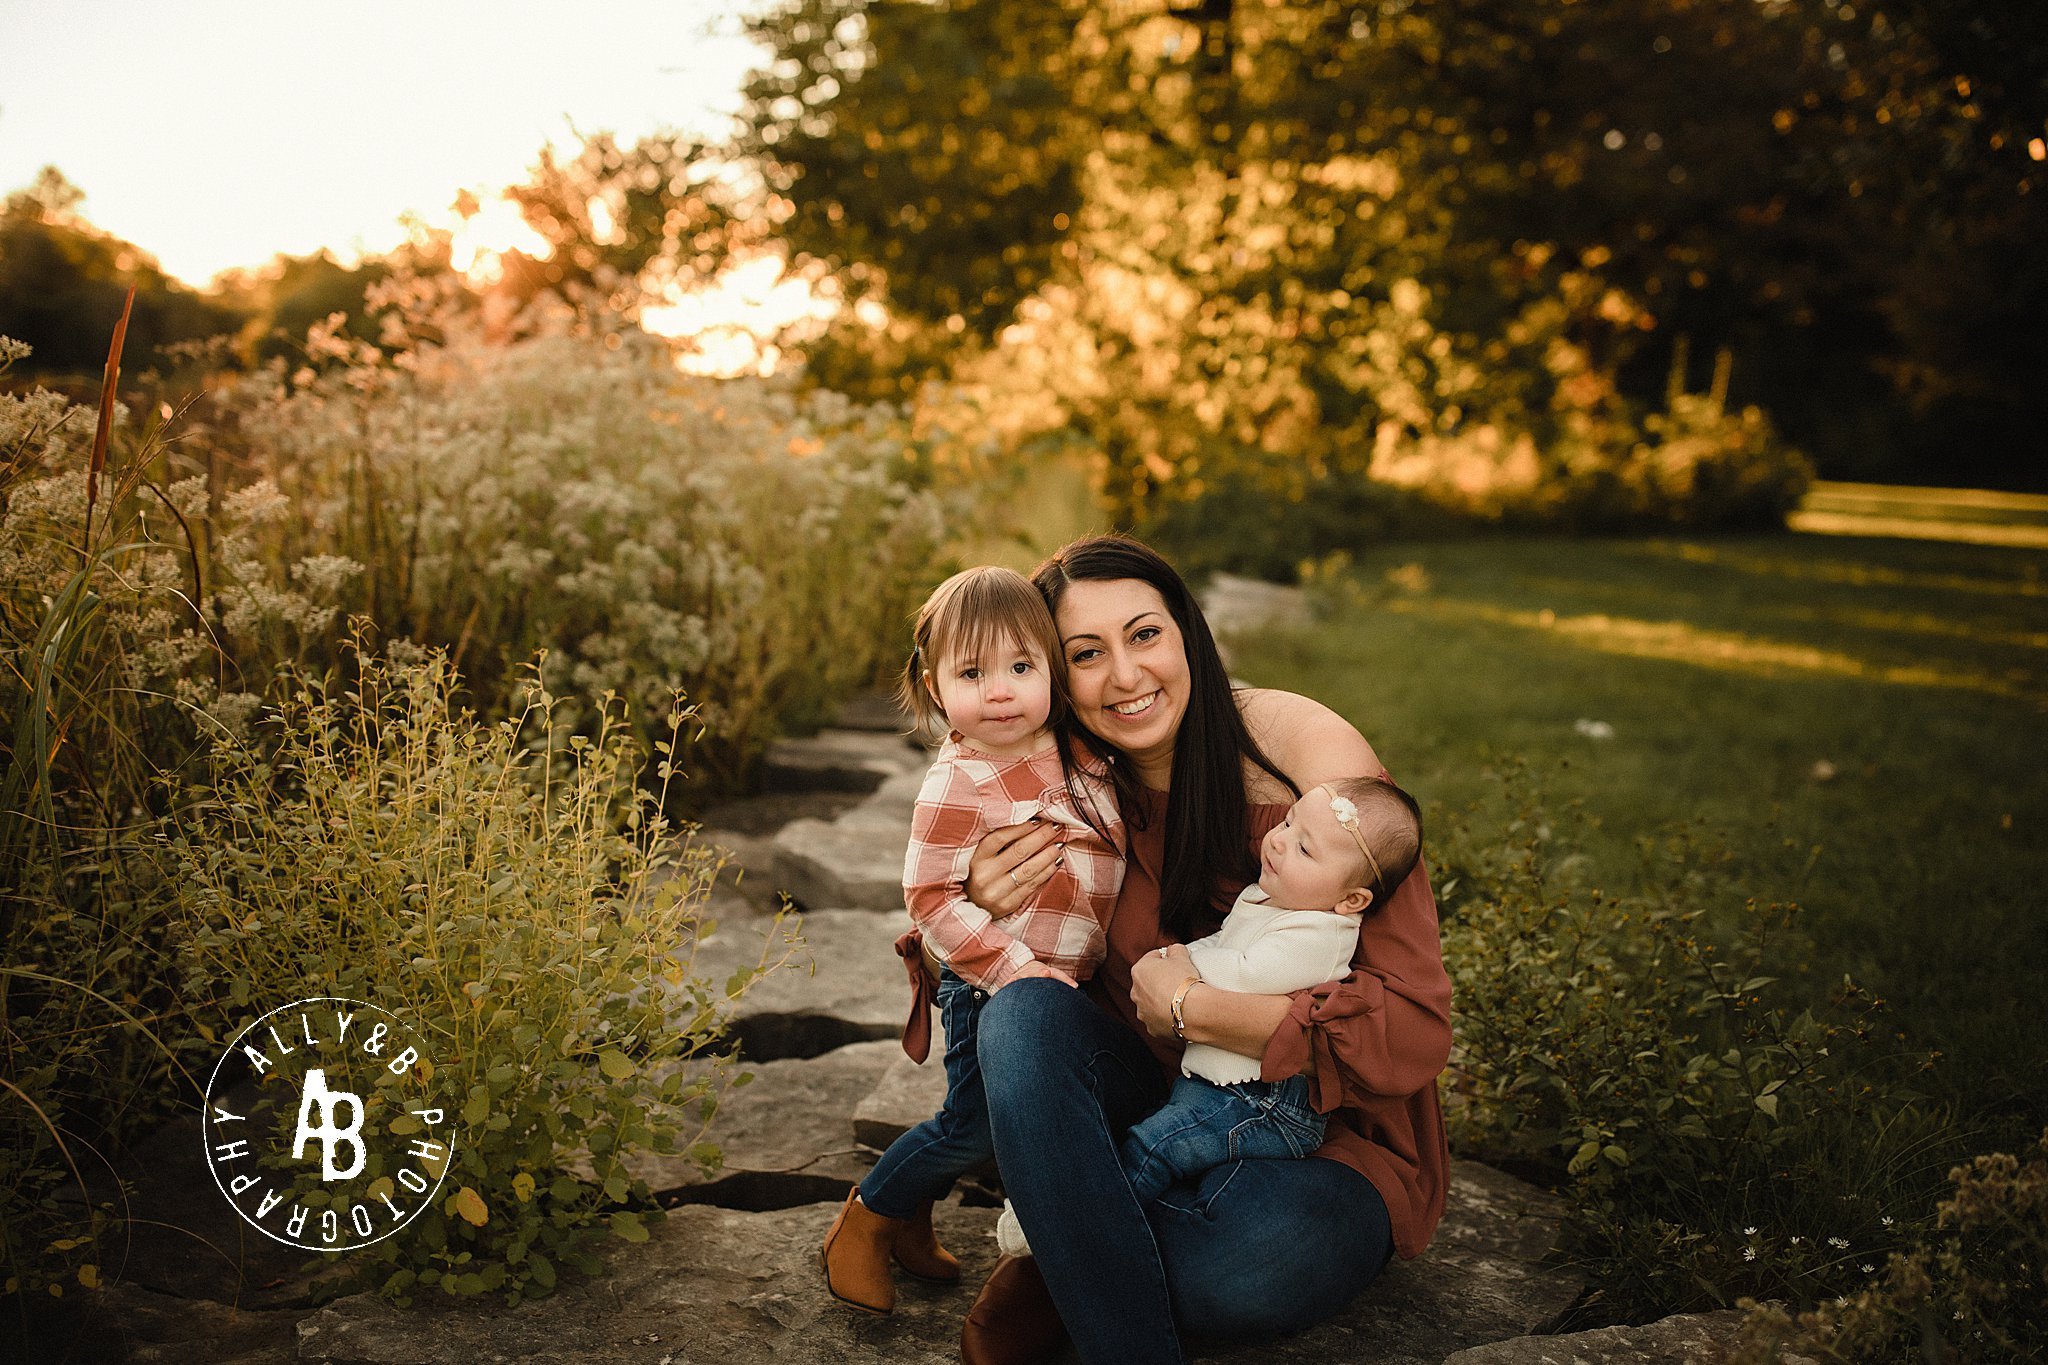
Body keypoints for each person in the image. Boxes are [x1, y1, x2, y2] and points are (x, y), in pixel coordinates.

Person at [957, 535, 1453, 1365]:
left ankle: (1067, 1244)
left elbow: (1414, 1027)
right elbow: (979, 1001)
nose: (1125, 676)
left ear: (1187, 632)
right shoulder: (1047, 788)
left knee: (1240, 1269)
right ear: (1053, 674)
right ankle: (1114, 1303)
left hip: (1320, 1137)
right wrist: (975, 898)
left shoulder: (1310, 773)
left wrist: (1202, 1006)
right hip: (1149, 1102)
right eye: (1085, 653)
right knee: (1020, 1016)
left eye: (1145, 634)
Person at [818, 565, 1125, 1316]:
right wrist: (1017, 971)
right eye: (972, 671)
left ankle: (913, 1214)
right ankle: (868, 1216)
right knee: (978, 1124)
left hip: (1066, 985)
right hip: (991, 984)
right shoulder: (958, 782)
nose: (1000, 690)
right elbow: (930, 900)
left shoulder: (1076, 747)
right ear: (933, 687)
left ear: (1052, 669)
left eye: (1022, 667)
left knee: (1011, 1120)